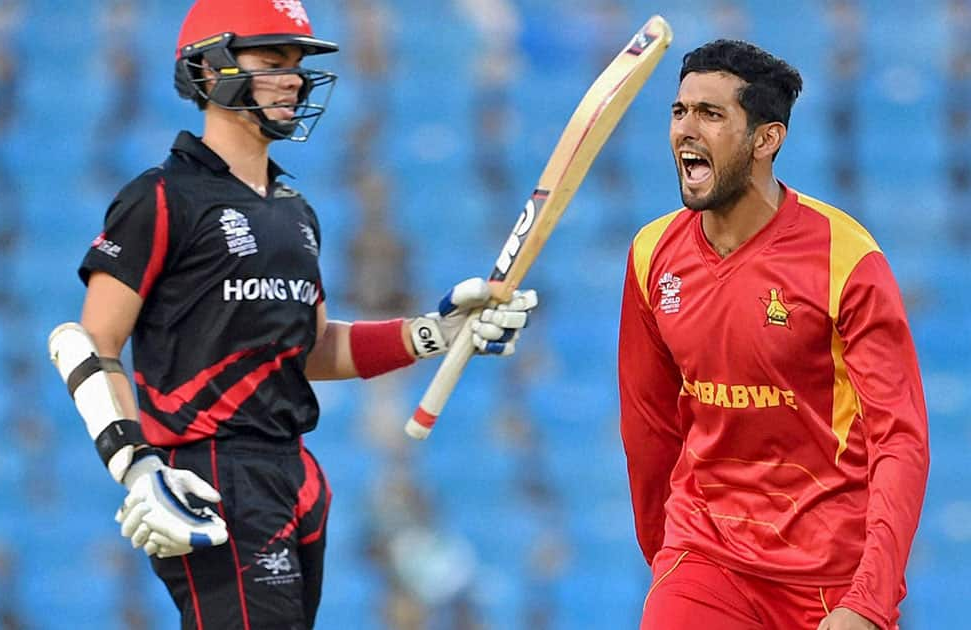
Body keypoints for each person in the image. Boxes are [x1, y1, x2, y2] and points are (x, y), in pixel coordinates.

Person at [47, 1, 538, 628]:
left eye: (297, 65)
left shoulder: (295, 209)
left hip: (293, 470)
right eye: (271, 62)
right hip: (210, 473)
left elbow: (312, 349)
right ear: (209, 68)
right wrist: (138, 467)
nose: (294, 79)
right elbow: (91, 343)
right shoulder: (160, 198)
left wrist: (438, 333)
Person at [617, 40, 928, 630]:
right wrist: (667, 565)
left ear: (767, 139)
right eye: (680, 111)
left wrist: (869, 597)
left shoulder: (846, 259)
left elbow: (900, 441)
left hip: (827, 578)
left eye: (711, 115)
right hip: (706, 555)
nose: (687, 129)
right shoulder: (650, 255)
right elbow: (648, 429)